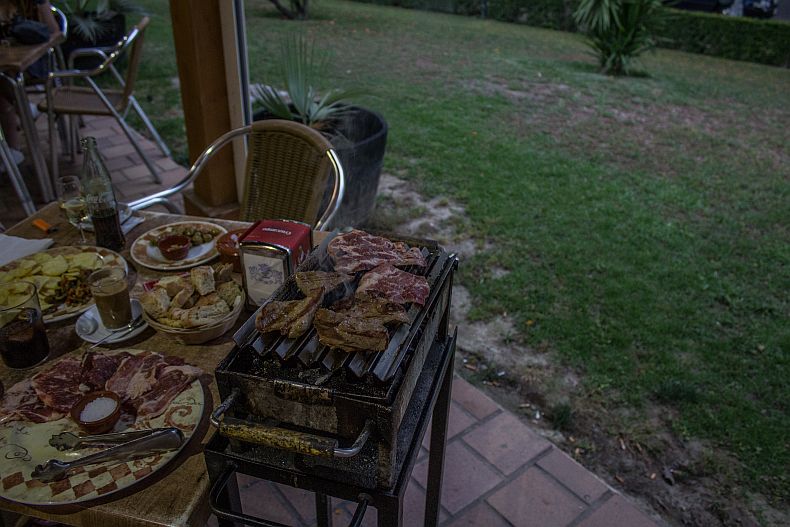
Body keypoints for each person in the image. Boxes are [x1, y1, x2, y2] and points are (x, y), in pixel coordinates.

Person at [0, 0, 60, 167]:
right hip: (9, 63)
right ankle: (24, 110)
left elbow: (55, 32)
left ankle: (13, 148)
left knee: (4, 81)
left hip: (36, 60)